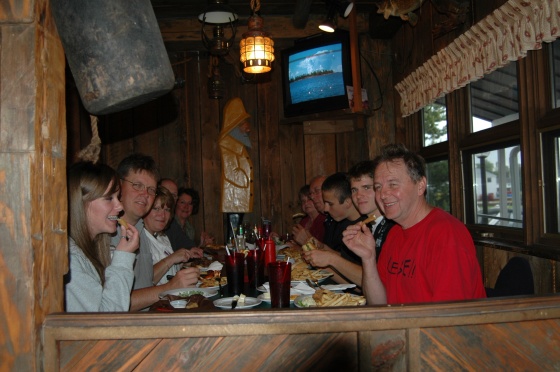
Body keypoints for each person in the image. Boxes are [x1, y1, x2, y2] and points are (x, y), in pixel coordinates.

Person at [342, 144, 486, 305]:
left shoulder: (446, 234)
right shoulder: (395, 232)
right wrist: (368, 259)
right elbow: (379, 304)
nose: (382, 194)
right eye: (378, 187)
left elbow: (449, 318)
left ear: (420, 186)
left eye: (393, 184)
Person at [110, 153, 199, 311]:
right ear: (119, 185)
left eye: (151, 189)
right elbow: (114, 305)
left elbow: (146, 282)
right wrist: (169, 287)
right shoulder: (109, 233)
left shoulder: (139, 230)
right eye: (137, 185)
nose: (145, 194)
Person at [65, 161, 140, 312]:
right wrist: (123, 258)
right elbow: (106, 323)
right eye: (108, 198)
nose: (120, 206)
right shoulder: (70, 260)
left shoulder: (89, 250)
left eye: (118, 197)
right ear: (81, 203)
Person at [302, 172, 366, 285]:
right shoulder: (339, 222)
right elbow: (345, 260)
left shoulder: (364, 227)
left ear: (347, 202)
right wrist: (322, 248)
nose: (326, 209)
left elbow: (360, 283)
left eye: (330, 204)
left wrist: (328, 261)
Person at [143, 186, 195, 286]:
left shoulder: (163, 237)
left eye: (167, 210)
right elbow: (145, 280)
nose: (162, 215)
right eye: (156, 209)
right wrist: (172, 258)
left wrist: (183, 260)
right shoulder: (139, 240)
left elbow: (168, 272)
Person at [219, 97, 253, 242]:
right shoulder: (227, 145)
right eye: (244, 123)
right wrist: (247, 179)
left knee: (236, 235)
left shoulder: (236, 145)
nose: (248, 128)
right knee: (233, 236)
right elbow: (232, 172)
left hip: (239, 199)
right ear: (235, 124)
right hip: (234, 199)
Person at [347, 160, 396, 260]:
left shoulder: (393, 227)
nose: (358, 196)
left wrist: (332, 260)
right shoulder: (363, 226)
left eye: (366, 187)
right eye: (354, 190)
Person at [292, 175, 327, 245]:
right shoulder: (304, 220)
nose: (306, 203)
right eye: (303, 201)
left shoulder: (324, 220)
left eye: (309, 199)